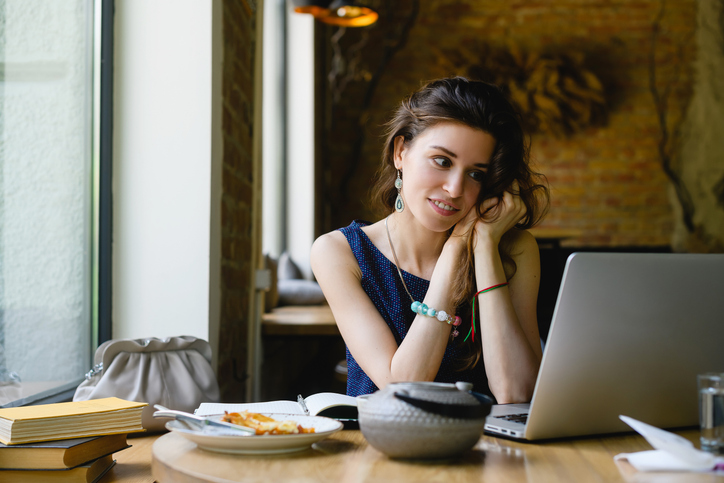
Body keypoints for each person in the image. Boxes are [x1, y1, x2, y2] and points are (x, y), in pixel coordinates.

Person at [311, 77, 549, 403]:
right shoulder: (340, 252)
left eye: (476, 173)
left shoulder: (513, 250)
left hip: (488, 450)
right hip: (380, 448)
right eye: (442, 161)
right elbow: (401, 386)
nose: (454, 188)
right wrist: (455, 250)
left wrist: (482, 247)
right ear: (400, 152)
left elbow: (517, 392)